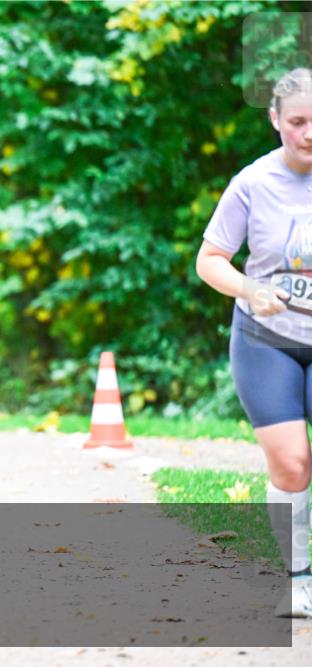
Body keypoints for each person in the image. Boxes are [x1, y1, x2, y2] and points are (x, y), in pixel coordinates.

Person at [196, 67, 312, 618]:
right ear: (275, 121)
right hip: (266, 340)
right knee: (292, 464)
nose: (309, 132)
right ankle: (297, 579)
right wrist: (249, 287)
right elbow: (209, 261)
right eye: (298, 121)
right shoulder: (252, 183)